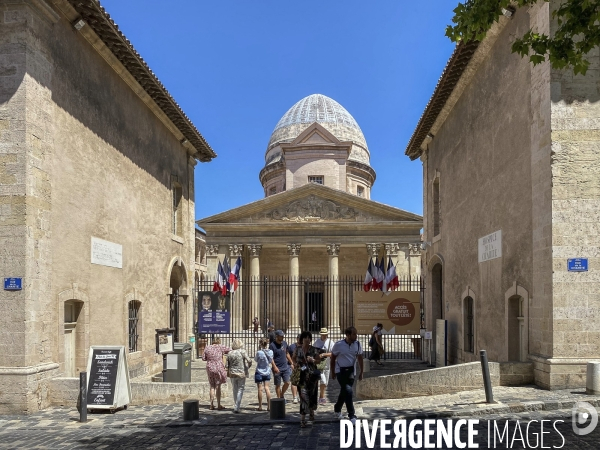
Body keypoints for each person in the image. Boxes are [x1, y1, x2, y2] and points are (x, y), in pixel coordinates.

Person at [331, 326, 363, 424]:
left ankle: (337, 408)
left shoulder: (357, 344)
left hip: (351, 371)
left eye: (356, 333)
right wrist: (333, 372)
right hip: (340, 371)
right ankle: (351, 415)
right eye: (354, 334)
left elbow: (360, 358)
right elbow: (332, 358)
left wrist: (361, 372)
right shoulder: (339, 345)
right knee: (348, 391)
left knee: (344, 391)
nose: (356, 336)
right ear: (348, 335)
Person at [293, 330, 323, 427]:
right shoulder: (298, 349)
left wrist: (313, 360)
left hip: (312, 376)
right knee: (303, 396)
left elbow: (319, 361)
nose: (307, 339)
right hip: (301, 377)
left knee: (312, 395)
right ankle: (302, 419)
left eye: (309, 338)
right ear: (302, 339)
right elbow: (293, 358)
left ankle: (311, 411)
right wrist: (295, 364)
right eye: (305, 337)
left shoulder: (314, 350)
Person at [202, 337, 231, 410]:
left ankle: (211, 405)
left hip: (210, 367)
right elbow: (230, 350)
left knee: (212, 386)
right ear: (219, 341)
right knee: (218, 386)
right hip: (218, 368)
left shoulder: (207, 347)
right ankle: (218, 404)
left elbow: (203, 358)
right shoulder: (220, 347)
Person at [226, 338, 253, 413]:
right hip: (241, 372)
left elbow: (226, 364)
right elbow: (249, 360)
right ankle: (237, 406)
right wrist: (248, 367)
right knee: (240, 389)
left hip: (232, 372)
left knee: (235, 389)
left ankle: (236, 405)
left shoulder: (230, 353)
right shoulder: (243, 351)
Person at [269, 330, 294, 399]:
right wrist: (274, 367)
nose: (282, 337)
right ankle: (279, 399)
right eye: (281, 336)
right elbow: (271, 357)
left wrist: (291, 363)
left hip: (285, 367)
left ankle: (282, 394)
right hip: (277, 368)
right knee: (278, 385)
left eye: (283, 336)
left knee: (287, 382)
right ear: (277, 336)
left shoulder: (284, 343)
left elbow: (287, 353)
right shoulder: (272, 345)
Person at [313, 327, 334, 405]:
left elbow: (333, 353)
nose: (324, 336)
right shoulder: (317, 342)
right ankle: (322, 397)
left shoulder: (330, 342)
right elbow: (313, 352)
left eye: (325, 335)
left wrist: (324, 354)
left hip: (327, 365)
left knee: (325, 383)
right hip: (319, 365)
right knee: (323, 381)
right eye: (322, 335)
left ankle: (321, 397)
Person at [254, 337, 273, 411]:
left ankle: (260, 406)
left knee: (260, 389)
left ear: (260, 344)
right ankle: (269, 406)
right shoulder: (271, 352)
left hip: (259, 371)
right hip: (267, 371)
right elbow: (271, 360)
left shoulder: (259, 352)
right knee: (267, 388)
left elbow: (256, 360)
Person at [288, 334, 302, 403]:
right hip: (294, 366)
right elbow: (288, 355)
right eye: (299, 338)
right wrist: (291, 363)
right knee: (294, 382)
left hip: (302, 367)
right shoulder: (292, 347)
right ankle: (295, 397)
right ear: (297, 339)